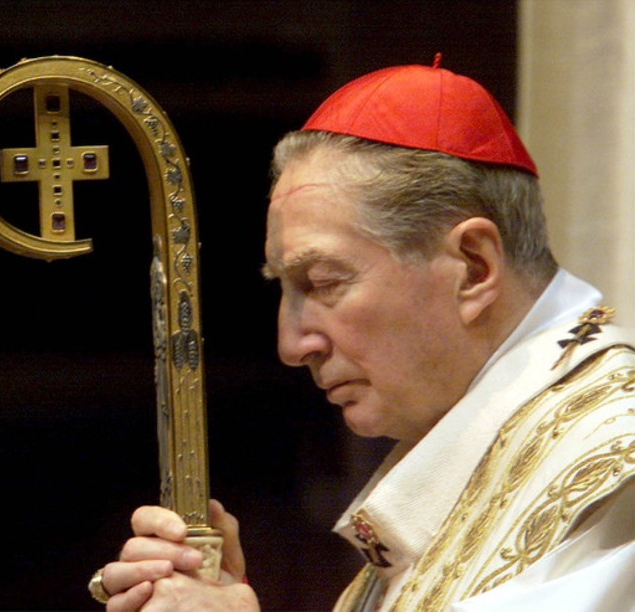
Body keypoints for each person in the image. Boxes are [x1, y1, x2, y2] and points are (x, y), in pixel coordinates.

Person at [90, 56, 635, 611]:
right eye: (284, 286)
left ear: (473, 268)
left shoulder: (617, 461)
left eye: (324, 282)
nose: (291, 345)